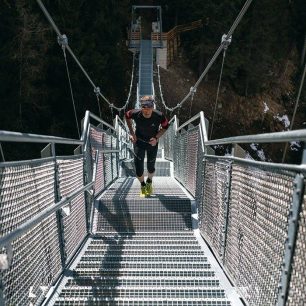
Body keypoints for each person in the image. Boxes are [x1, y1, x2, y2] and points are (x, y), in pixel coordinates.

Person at [125, 96, 169, 197]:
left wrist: (156, 138)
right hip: (139, 142)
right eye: (144, 107)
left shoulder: (159, 116)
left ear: (153, 106)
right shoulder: (135, 113)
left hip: (152, 143)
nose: (147, 110)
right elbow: (127, 116)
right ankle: (143, 185)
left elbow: (166, 126)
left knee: (150, 167)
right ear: (141, 107)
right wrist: (131, 132)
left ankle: (149, 182)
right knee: (138, 168)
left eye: (149, 107)